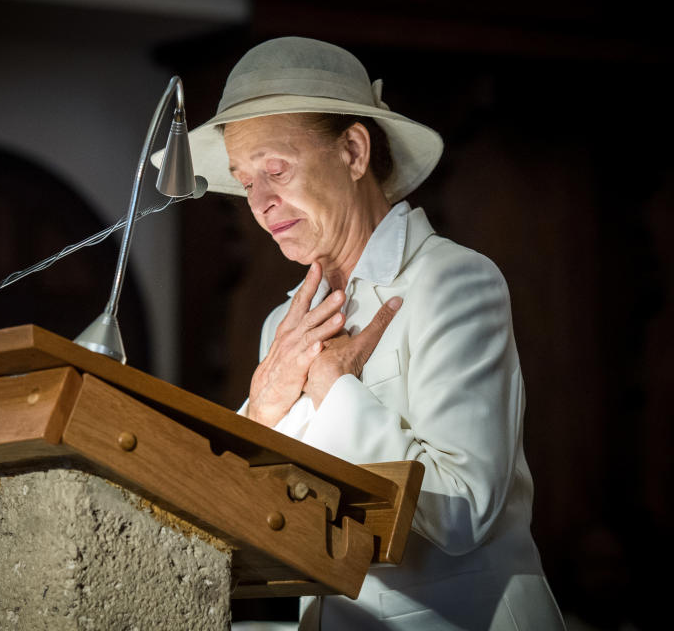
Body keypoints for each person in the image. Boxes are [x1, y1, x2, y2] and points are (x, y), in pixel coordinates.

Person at [181, 37, 565, 629]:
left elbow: (463, 511)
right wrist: (262, 408)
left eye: (275, 170)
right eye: (243, 180)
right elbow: (260, 521)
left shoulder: (455, 280)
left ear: (354, 151)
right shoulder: (280, 332)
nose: (258, 202)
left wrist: (335, 393)